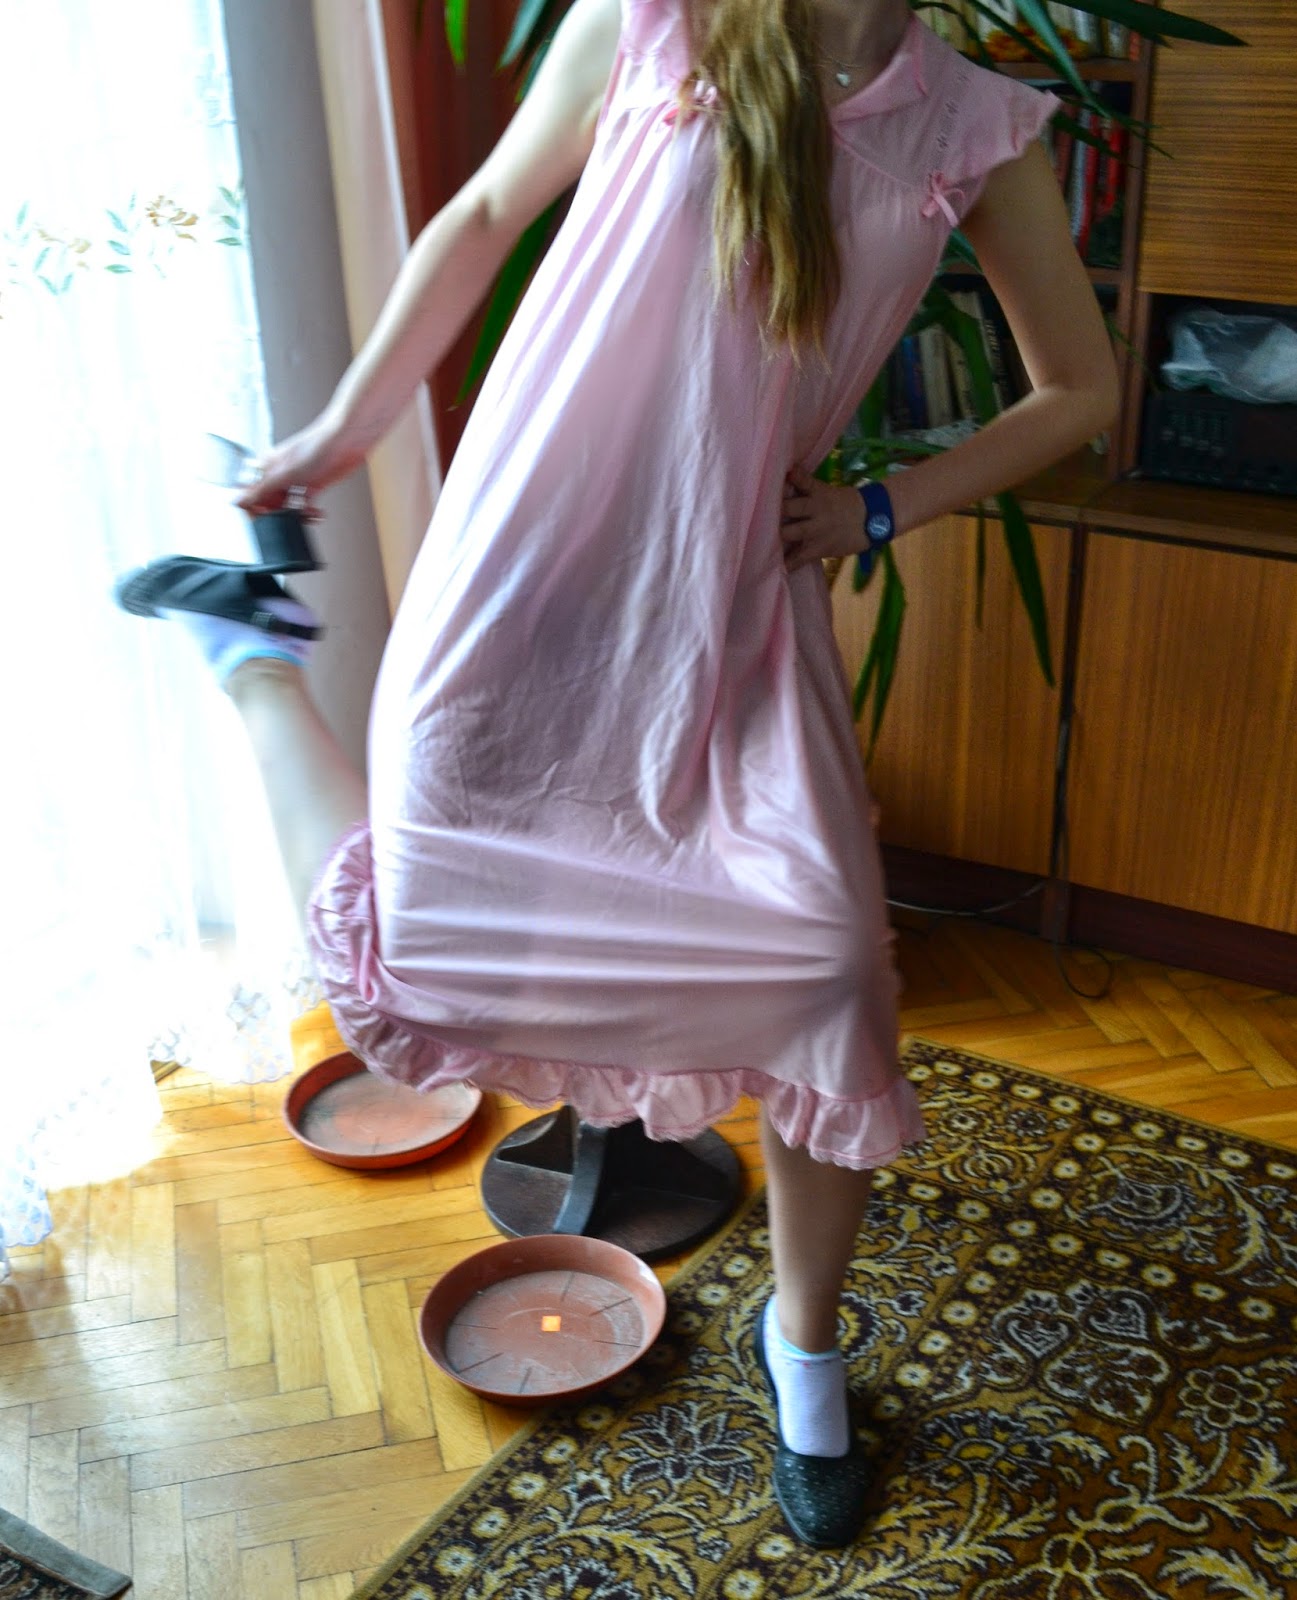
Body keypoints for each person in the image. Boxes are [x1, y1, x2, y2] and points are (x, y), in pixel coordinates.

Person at [116, 0, 1117, 1549]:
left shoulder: (973, 126)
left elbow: (1080, 391)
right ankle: (252, 661)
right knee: (423, 937)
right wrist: (335, 432)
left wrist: (879, 509)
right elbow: (478, 216)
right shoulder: (654, 22)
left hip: (726, 601)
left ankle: (803, 1348)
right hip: (528, 561)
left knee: (826, 976)